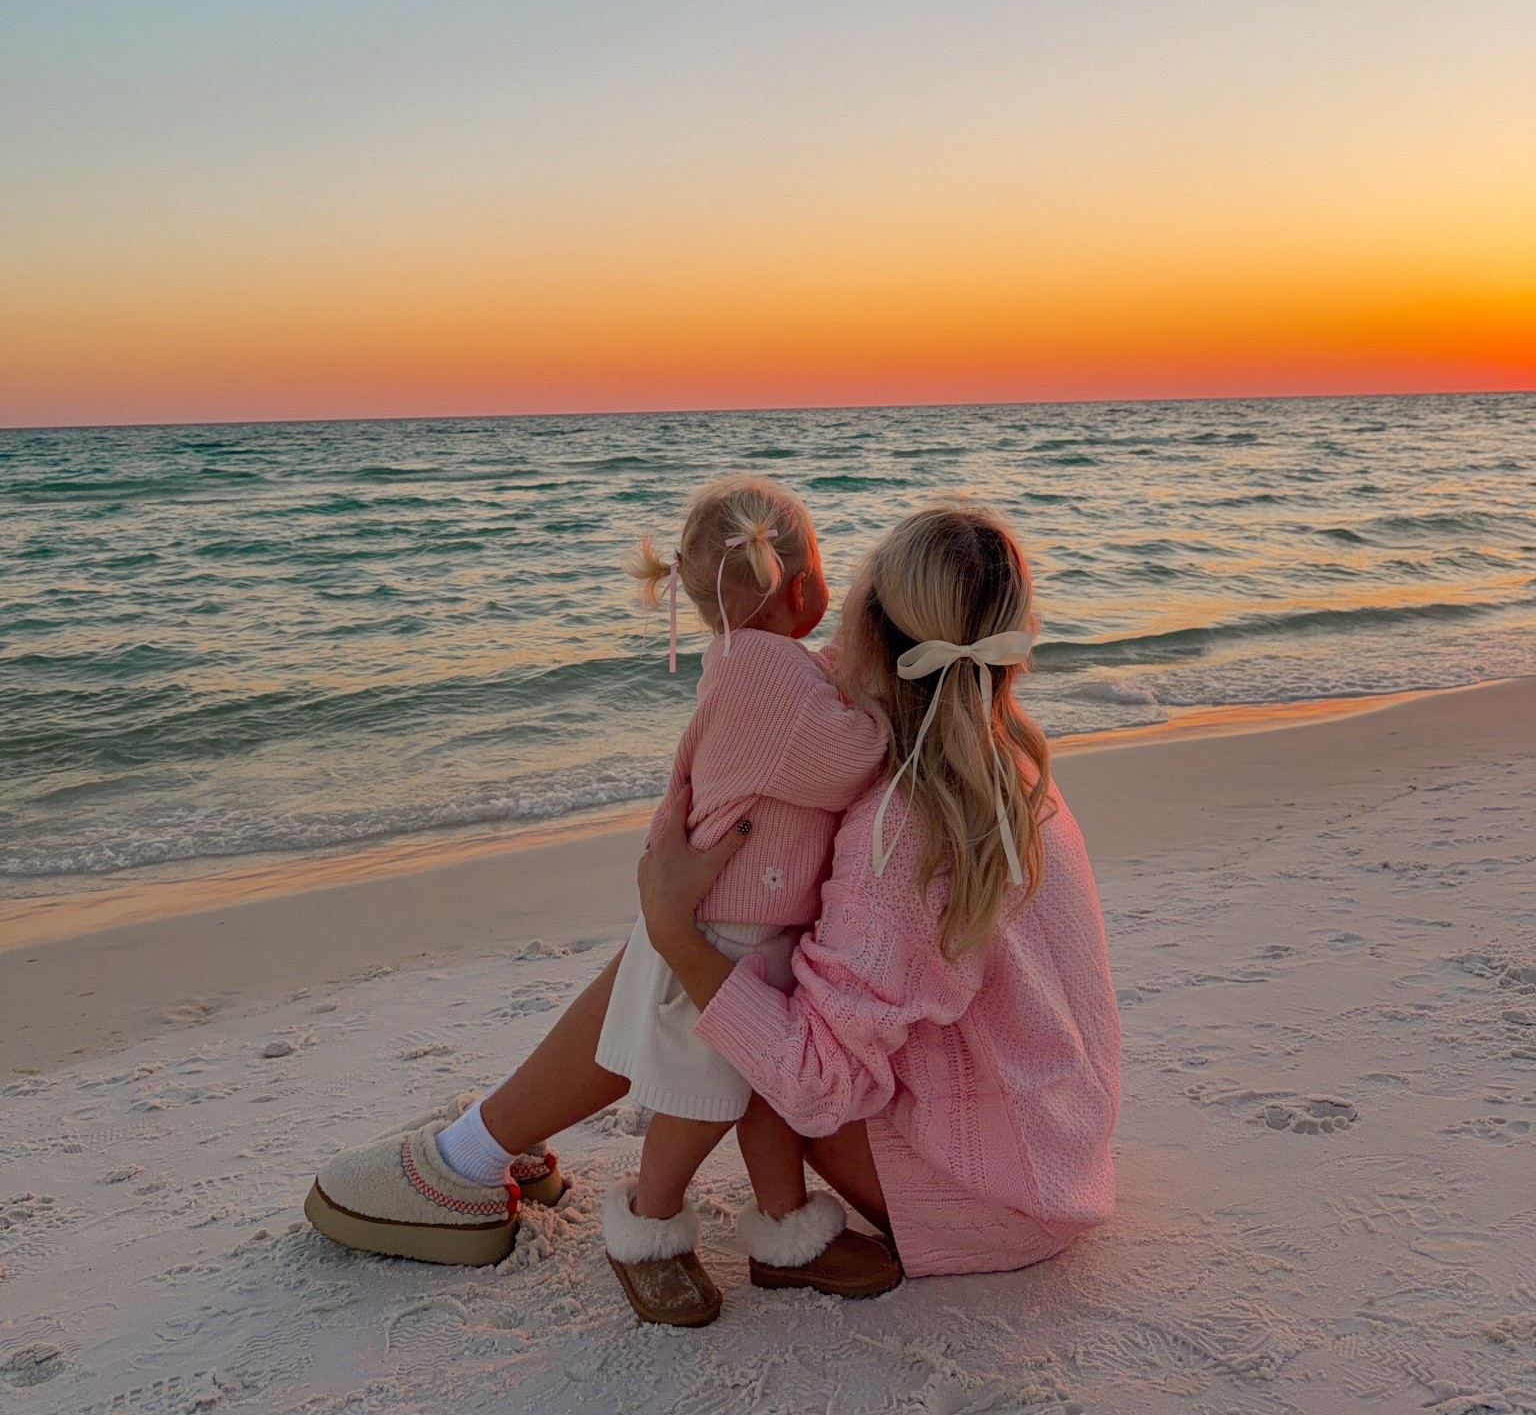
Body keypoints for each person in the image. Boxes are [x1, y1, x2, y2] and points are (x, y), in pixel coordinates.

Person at [306, 500, 1120, 1314]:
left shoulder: (901, 829)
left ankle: (472, 1157)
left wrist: (672, 930)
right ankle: (488, 1136)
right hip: (1051, 1147)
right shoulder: (993, 751)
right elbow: (815, 681)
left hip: (985, 1196)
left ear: (874, 623)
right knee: (736, 917)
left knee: (706, 942)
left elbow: (811, 1082)